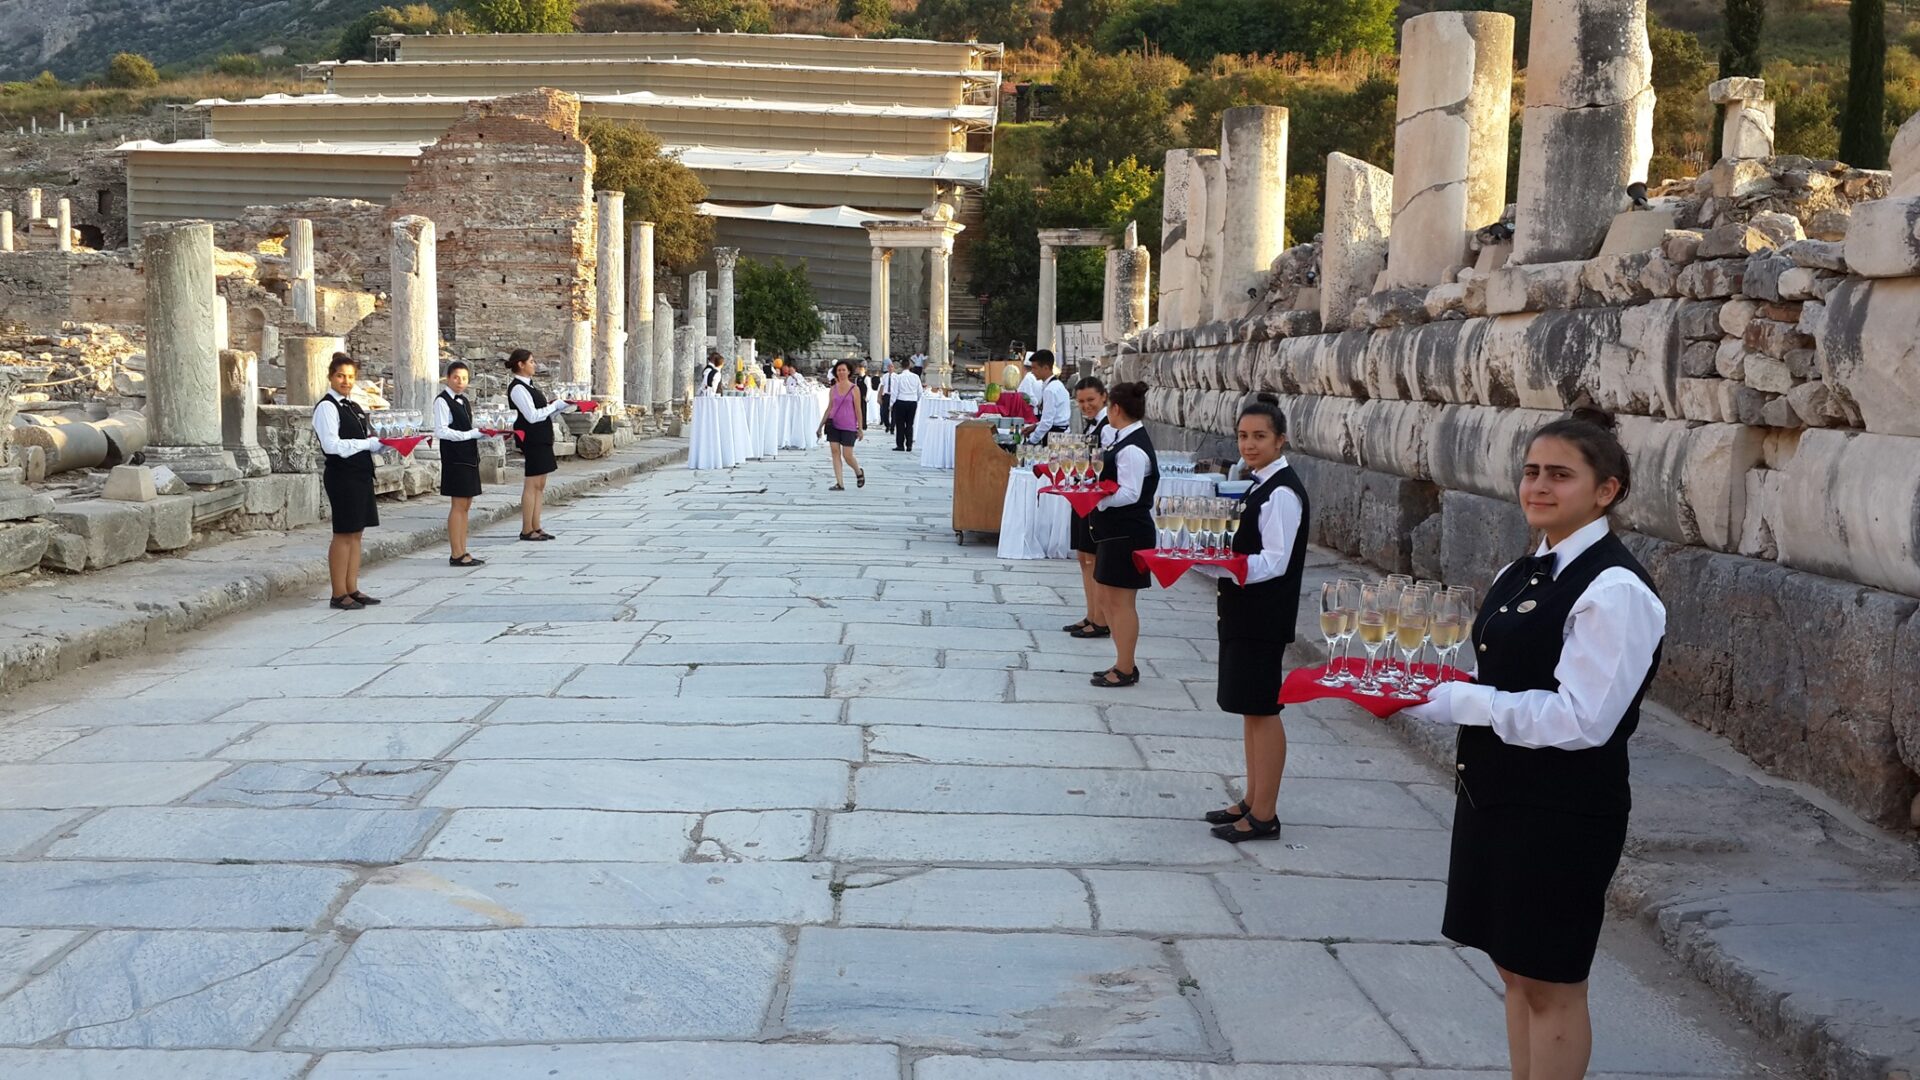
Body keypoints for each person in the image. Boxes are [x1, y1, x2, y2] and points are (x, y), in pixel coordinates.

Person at [1400, 408, 1665, 1079]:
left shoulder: (1615, 589)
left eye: (1560, 475)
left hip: (1560, 813)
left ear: (1606, 491)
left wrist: (1462, 702)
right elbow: (1503, 677)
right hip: (1494, 796)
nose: (1539, 486)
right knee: (1513, 971)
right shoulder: (1522, 569)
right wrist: (1426, 686)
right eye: (1531, 472)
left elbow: (1584, 720)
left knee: (1551, 984)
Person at [1203, 394, 1309, 843]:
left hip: (1262, 616)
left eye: (1259, 436)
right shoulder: (1259, 482)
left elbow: (1275, 562)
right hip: (1244, 611)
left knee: (1264, 709)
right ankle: (1252, 798)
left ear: (1280, 439)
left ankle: (1265, 814)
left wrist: (1226, 566)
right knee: (1249, 708)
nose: (1249, 444)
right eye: (1243, 436)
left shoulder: (1281, 492)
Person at [1087, 381, 1159, 688]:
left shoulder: (1131, 448)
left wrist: (1098, 500)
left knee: (1121, 602)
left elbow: (1131, 493)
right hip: (1116, 532)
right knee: (1107, 596)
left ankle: (1126, 666)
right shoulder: (1123, 439)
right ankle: (1121, 661)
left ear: (1115, 408)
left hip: (1128, 533)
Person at [312, 353, 383, 610]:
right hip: (342, 476)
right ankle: (338, 593)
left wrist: (383, 444)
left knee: (356, 533)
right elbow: (331, 445)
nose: (346, 381)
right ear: (331, 377)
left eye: (350, 376)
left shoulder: (353, 406)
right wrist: (368, 444)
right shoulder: (326, 407)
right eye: (341, 376)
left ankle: (352, 587)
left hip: (360, 474)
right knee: (343, 534)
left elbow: (365, 439)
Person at [507, 348, 575, 542]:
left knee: (540, 484)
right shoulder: (518, 388)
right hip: (531, 438)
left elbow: (542, 412)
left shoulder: (531, 386)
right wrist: (553, 406)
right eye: (531, 361)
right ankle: (526, 529)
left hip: (542, 436)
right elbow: (531, 415)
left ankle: (536, 525)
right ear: (520, 364)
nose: (534, 365)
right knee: (532, 483)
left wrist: (558, 408)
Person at [1063, 376, 1113, 639]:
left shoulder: (1108, 427)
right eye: (1081, 401)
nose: (1086, 406)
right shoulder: (1092, 425)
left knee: (1092, 558)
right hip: (1083, 496)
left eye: (1091, 400)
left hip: (1095, 499)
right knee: (1083, 557)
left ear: (1104, 397)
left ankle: (1101, 619)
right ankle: (1091, 614)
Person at [433, 360, 487, 568]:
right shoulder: (442, 401)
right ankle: (456, 553)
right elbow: (441, 431)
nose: (460, 382)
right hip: (455, 458)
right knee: (458, 505)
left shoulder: (464, 401)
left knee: (466, 505)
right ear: (448, 378)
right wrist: (470, 434)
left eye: (464, 378)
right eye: (456, 377)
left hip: (469, 457)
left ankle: (463, 549)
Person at [817, 358, 866, 491]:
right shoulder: (833, 389)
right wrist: (820, 425)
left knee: (847, 455)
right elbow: (829, 407)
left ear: (849, 372)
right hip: (833, 423)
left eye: (844, 370)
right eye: (839, 370)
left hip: (849, 425)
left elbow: (858, 409)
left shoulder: (854, 389)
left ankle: (858, 471)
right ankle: (840, 483)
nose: (841, 372)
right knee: (835, 452)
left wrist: (860, 428)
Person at [1023, 351, 1071, 446]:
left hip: (1055, 437)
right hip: (1062, 433)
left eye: (1035, 368)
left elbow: (1047, 423)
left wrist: (1032, 441)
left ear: (1045, 368)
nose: (1032, 372)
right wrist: (1035, 426)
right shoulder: (1058, 384)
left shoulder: (1050, 390)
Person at [890, 358, 923, 453]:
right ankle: (909, 445)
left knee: (900, 424)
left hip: (901, 401)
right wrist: (916, 399)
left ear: (901, 366)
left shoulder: (898, 377)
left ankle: (900, 445)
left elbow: (895, 391)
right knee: (910, 424)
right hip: (912, 401)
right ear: (909, 366)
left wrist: (891, 403)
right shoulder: (916, 377)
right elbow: (920, 391)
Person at [878, 360, 895, 435]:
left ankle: (892, 428)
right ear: (887, 368)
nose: (890, 368)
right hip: (886, 395)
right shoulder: (885, 376)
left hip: (893, 395)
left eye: (892, 367)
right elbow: (882, 386)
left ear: (894, 368)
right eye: (889, 367)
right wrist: (879, 397)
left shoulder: (897, 377)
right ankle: (887, 425)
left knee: (894, 413)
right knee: (885, 412)